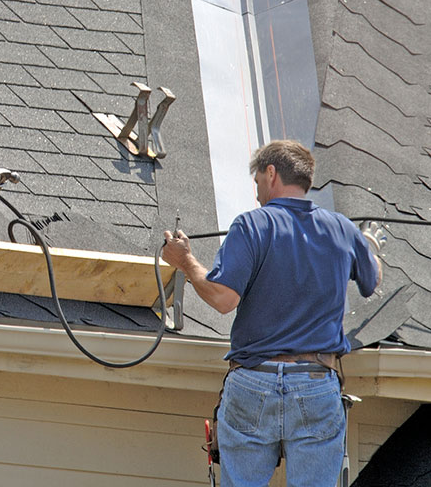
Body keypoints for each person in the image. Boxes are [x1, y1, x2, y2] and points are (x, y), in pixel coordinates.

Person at [161, 140, 383, 487]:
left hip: (254, 382)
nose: (257, 192)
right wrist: (368, 247)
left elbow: (223, 299)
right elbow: (372, 280)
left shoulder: (252, 226)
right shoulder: (341, 229)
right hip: (315, 384)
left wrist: (185, 260)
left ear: (271, 173)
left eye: (257, 183)